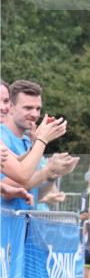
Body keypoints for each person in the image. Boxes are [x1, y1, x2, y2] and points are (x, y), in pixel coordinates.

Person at [1, 80, 77, 209]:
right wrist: (47, 169)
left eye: (38, 109)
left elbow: (35, 194)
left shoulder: (30, 142)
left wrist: (53, 174)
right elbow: (13, 184)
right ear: (12, 108)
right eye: (28, 108)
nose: (35, 114)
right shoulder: (3, 136)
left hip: (22, 225)